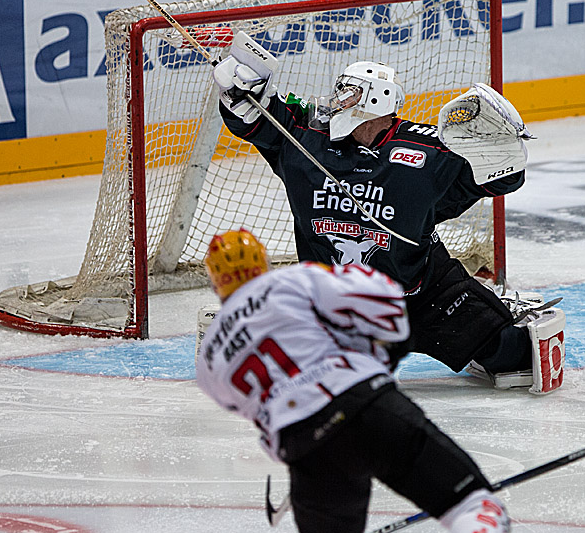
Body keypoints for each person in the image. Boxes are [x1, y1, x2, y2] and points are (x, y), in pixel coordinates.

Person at [209, 31, 565, 395]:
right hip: (331, 307)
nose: (337, 101)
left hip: (424, 296)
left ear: (375, 101)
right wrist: (238, 90)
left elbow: (503, 179)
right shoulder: (306, 138)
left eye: (349, 93)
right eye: (340, 91)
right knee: (280, 372)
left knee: (515, 356)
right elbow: (251, 118)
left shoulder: (428, 153)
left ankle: (495, 312)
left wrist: (502, 148)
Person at [195, 228, 511, 533]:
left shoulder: (208, 357)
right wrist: (379, 353)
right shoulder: (296, 280)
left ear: (215, 280)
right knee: (475, 506)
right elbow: (386, 298)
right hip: (367, 405)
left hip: (305, 448)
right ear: (262, 262)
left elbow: (258, 410)